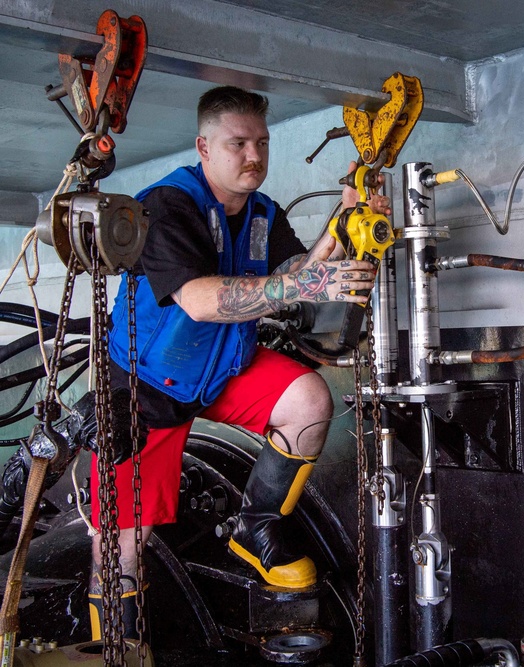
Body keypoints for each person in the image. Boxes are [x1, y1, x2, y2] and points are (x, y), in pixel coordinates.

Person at [94, 85, 387, 639]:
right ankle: (118, 646)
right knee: (122, 546)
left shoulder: (260, 212)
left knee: (308, 400)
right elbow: (200, 301)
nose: (254, 156)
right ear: (204, 147)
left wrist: (344, 225)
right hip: (146, 384)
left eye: (262, 142)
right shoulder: (167, 205)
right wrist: (304, 281)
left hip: (222, 368)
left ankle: (255, 528)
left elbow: (298, 268)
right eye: (238, 144)